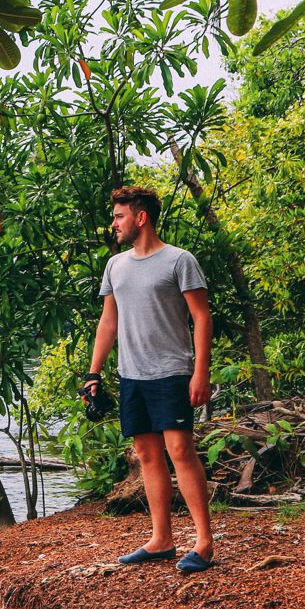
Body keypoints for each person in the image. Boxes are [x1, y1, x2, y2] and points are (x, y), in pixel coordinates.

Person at [82, 186, 217, 574]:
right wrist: (94, 372)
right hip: (132, 374)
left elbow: (202, 317)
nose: (114, 224)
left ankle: (204, 542)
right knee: (146, 454)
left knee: (180, 450)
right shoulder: (116, 265)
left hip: (172, 371)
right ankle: (161, 540)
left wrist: (200, 371)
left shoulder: (179, 261)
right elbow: (109, 322)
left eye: (119, 216)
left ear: (140, 217)